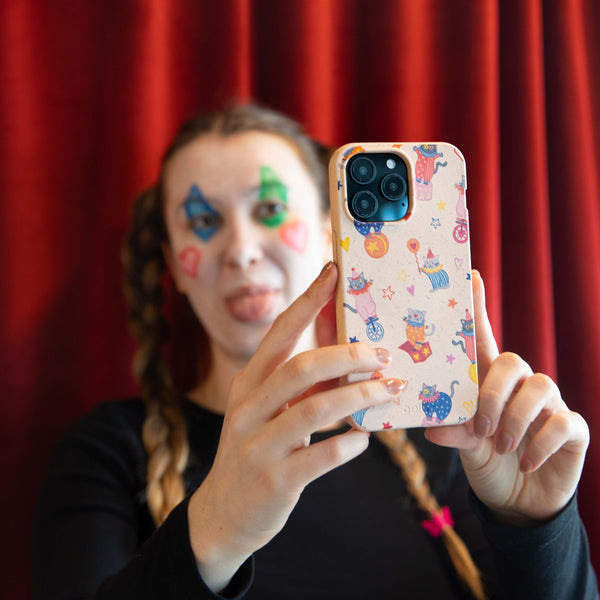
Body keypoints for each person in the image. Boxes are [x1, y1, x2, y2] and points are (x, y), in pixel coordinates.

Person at [34, 104, 599, 600]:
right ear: (172, 265)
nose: (241, 251)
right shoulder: (111, 452)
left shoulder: (449, 440)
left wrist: (537, 529)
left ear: (334, 234)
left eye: (270, 210)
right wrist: (211, 534)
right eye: (204, 221)